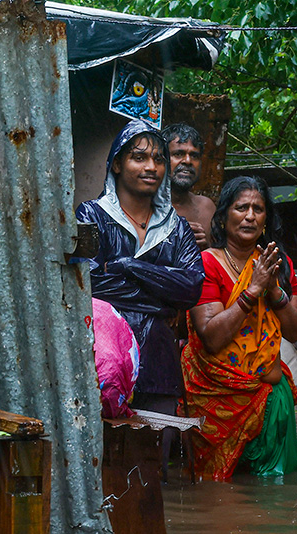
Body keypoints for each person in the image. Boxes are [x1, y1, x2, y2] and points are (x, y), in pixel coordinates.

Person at [180, 176, 297, 480]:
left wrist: (274, 291)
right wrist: (252, 291)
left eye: (258, 209)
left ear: (266, 220)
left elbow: (295, 331)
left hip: (271, 401)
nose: (250, 215)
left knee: (274, 497)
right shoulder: (206, 264)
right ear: (223, 218)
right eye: (241, 208)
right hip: (216, 400)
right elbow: (211, 337)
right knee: (218, 498)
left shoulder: (280, 264)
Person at [77, 120, 204, 420]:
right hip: (103, 362)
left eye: (159, 160)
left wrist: (128, 266)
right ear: (118, 164)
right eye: (139, 157)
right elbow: (90, 284)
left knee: (153, 458)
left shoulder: (177, 227)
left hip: (158, 363)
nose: (151, 167)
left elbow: (191, 287)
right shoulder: (91, 215)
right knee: (105, 457)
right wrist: (162, 302)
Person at [163, 123, 215, 251]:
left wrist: (204, 249)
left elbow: (219, 260)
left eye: (194, 156)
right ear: (161, 159)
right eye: (178, 154)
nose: (188, 161)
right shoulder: (143, 206)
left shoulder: (206, 208)